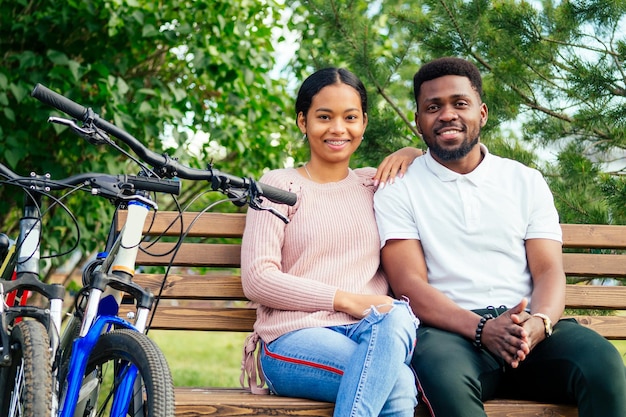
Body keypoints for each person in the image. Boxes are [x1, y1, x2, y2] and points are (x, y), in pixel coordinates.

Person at [373, 57, 626, 417]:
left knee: (601, 363)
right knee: (440, 376)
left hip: (529, 330)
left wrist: (541, 323)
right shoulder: (398, 189)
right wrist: (482, 330)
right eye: (433, 107)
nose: (447, 115)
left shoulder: (525, 181)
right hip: (451, 336)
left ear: (483, 112)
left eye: (460, 103)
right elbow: (408, 284)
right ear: (418, 122)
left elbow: (549, 270)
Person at [240, 67, 422, 417]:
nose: (338, 129)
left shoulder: (375, 184)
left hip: (371, 332)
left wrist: (411, 152)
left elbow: (445, 163)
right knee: (398, 382)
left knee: (398, 317)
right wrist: (346, 300)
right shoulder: (279, 186)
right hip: (293, 338)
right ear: (302, 122)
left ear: (364, 123)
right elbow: (258, 278)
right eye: (324, 117)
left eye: (350, 117)